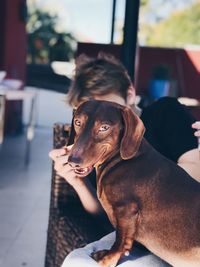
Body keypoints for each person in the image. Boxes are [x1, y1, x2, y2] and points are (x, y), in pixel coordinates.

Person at [49, 53, 200, 267]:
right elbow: (104, 213)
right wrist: (77, 180)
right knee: (76, 262)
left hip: (181, 234)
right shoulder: (87, 150)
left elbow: (193, 181)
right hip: (130, 234)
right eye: (86, 115)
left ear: (129, 95)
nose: (93, 129)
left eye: (104, 119)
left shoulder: (166, 112)